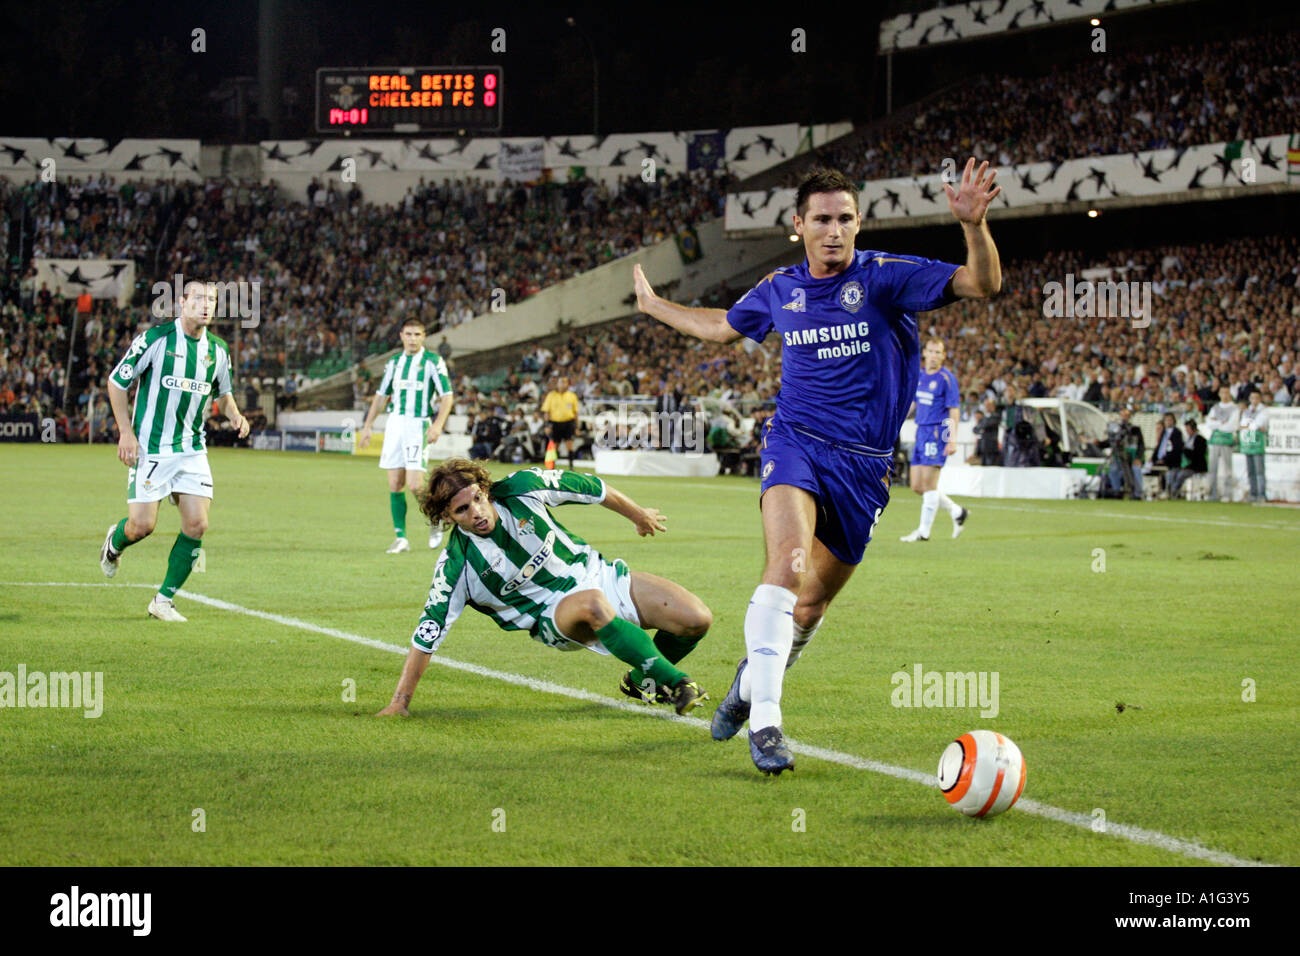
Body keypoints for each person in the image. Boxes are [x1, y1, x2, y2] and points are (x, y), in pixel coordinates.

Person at [631, 161, 1002, 774]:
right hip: (795, 443)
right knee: (786, 565)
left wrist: (975, 225)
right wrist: (655, 306)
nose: (835, 231)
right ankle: (769, 723)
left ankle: (749, 686)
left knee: (809, 608)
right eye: (822, 220)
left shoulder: (886, 278)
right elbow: (723, 328)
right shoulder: (779, 288)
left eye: (845, 220)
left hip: (865, 469)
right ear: (797, 225)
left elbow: (981, 284)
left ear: (860, 223)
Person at [376, 460, 711, 717]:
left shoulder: (524, 486)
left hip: (599, 574)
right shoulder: (457, 565)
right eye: (462, 510)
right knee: (592, 604)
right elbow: (429, 631)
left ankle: (642, 681)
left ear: (484, 489)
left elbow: (590, 487)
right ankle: (680, 683)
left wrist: (638, 515)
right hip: (553, 617)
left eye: (477, 499)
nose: (476, 512)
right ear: (448, 517)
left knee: (697, 619)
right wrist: (399, 703)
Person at [98, 281, 250, 622]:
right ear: (181, 302)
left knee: (197, 524)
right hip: (151, 448)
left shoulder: (218, 351)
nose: (206, 305)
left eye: (211, 300)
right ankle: (115, 542)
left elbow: (222, 395)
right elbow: (117, 382)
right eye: (198, 299)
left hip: (192, 449)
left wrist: (236, 416)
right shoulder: (156, 340)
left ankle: (163, 601)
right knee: (141, 527)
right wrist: (126, 432)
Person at [358, 318, 454, 552]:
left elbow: (447, 395)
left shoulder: (433, 361)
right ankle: (401, 538)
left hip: (417, 425)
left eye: (417, 334)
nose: (412, 339)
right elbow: (381, 396)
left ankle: (436, 518)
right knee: (394, 483)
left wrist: (438, 424)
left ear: (423, 336)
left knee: (414, 484)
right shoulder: (394, 363)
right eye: (408, 334)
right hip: (395, 425)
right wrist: (368, 426)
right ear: (401, 335)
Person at [900, 338, 968, 542]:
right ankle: (957, 511)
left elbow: (954, 410)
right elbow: (912, 402)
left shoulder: (947, 379)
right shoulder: (919, 376)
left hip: (937, 433)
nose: (934, 356)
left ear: (943, 356)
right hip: (920, 432)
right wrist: (897, 419)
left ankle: (923, 532)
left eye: (938, 352)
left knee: (929, 485)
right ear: (925, 354)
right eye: (931, 351)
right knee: (917, 486)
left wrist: (952, 439)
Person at [1205, 387, 1240, 502]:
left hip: (1226, 441)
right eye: (1222, 392)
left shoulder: (1235, 408)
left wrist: (1217, 425)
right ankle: (1212, 493)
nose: (1224, 395)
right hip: (1215, 440)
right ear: (1219, 394)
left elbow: (1232, 426)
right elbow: (1209, 423)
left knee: (1227, 469)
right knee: (1212, 469)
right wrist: (1221, 423)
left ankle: (1227, 494)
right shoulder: (1215, 408)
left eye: (1227, 392)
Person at [540, 375, 580, 468]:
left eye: (565, 382)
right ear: (557, 383)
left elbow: (575, 413)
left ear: (568, 384)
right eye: (561, 382)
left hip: (568, 423)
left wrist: (577, 427)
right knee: (555, 446)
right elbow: (546, 412)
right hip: (555, 423)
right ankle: (552, 467)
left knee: (569, 445)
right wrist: (547, 425)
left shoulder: (572, 396)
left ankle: (571, 466)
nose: (563, 384)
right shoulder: (551, 395)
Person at [1106, 406, 1145, 499]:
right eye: (1123, 415)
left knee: (1136, 469)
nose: (1124, 417)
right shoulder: (1117, 429)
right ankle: (1117, 491)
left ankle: (1137, 494)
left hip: (1132, 457)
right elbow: (1112, 442)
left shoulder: (1135, 430)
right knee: (1113, 469)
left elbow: (1141, 445)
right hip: (1120, 456)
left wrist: (1138, 458)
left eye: (1126, 415)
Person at [1239, 389, 1269, 502]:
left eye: (1256, 398)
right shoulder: (1247, 411)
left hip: (1258, 443)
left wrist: (1248, 425)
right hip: (1248, 443)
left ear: (1260, 399)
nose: (1254, 400)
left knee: (1259, 471)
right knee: (1251, 471)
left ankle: (1261, 494)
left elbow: (1258, 424)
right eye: (1252, 398)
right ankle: (1253, 493)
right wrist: (1249, 425)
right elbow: (1243, 425)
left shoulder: (1264, 411)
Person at [1168, 419, 1208, 498]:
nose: (1187, 431)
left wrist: (1185, 450)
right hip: (1186, 465)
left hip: (1196, 467)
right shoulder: (1187, 439)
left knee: (1181, 475)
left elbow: (1197, 455)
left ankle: (1173, 493)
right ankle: (1171, 492)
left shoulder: (1200, 440)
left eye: (1188, 429)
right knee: (1173, 472)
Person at [1150, 411, 1184, 496]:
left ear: (1173, 421)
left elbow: (1176, 449)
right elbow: (1159, 447)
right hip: (1160, 460)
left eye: (1170, 420)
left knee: (1170, 476)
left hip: (1172, 461)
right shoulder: (1164, 432)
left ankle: (1170, 492)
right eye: (1166, 420)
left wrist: (1164, 459)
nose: (1168, 422)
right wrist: (1153, 457)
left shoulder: (1177, 433)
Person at [973, 396, 1001, 466]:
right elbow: (975, 429)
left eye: (989, 405)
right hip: (982, 447)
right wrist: (981, 429)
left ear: (993, 406)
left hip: (991, 448)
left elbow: (986, 425)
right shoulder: (984, 418)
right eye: (986, 405)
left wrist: (981, 428)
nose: (987, 407)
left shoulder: (996, 416)